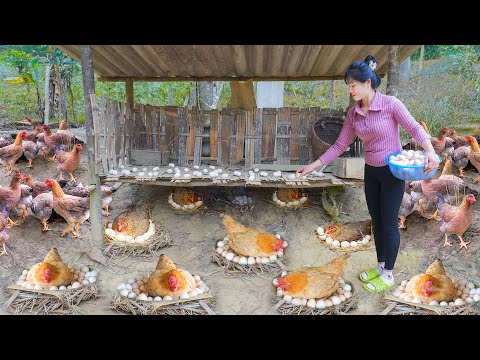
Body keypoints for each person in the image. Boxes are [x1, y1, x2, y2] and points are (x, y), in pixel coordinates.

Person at [296, 55, 440, 293]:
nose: (350, 89)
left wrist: (430, 151)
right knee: (377, 220)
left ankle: (389, 275)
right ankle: (381, 267)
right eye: (348, 85)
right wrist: (313, 166)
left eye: (353, 85)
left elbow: (414, 128)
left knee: (390, 223)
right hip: (371, 172)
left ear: (367, 83)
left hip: (392, 172)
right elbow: (339, 145)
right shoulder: (354, 114)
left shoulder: (391, 105)